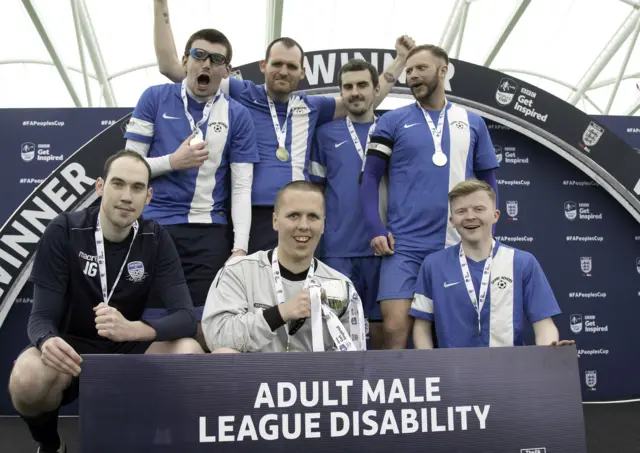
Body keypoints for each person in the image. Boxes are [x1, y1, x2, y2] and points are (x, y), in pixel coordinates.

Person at [152, 0, 414, 253]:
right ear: (263, 66)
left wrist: (400, 60)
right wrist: (161, 4)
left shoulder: (312, 106)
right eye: (277, 64)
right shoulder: (241, 92)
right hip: (252, 215)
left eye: (291, 66)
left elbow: (364, 99)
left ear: (302, 71)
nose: (283, 71)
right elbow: (173, 69)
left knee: (299, 293)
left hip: (300, 214)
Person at [8, 150, 203, 453]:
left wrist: (136, 330)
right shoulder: (65, 230)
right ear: (100, 187)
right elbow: (40, 317)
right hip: (72, 350)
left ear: (148, 196)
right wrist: (47, 341)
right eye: (118, 184)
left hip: (128, 348)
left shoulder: (156, 238)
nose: (127, 196)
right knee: (27, 378)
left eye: (137, 188)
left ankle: (158, 440)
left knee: (189, 352)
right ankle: (50, 445)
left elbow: (186, 317)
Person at [123, 28, 259, 348]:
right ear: (184, 61)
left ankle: (201, 396)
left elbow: (241, 188)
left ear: (227, 71)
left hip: (209, 234)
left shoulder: (238, 115)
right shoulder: (153, 98)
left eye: (217, 59)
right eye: (198, 56)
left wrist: (239, 248)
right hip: (154, 228)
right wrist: (173, 161)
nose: (206, 65)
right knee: (152, 328)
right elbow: (128, 168)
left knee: (204, 331)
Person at [360, 44, 500, 349]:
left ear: (442, 70)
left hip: (456, 245)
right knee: (394, 329)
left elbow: (488, 178)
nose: (412, 76)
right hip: (404, 246)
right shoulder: (392, 121)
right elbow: (370, 177)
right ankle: (392, 397)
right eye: (409, 70)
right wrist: (375, 228)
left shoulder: (472, 121)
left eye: (420, 68)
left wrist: (488, 232)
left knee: (455, 334)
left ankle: (454, 395)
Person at [201, 181, 366, 353]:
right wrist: (280, 313)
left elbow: (354, 357)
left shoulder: (340, 285)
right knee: (224, 353)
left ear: (323, 225)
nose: (303, 226)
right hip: (256, 377)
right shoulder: (239, 272)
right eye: (293, 215)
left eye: (313, 217)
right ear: (275, 221)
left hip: (314, 377)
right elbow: (216, 337)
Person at [409, 179, 575, 349]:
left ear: (495, 215)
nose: (470, 216)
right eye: (461, 211)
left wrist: (552, 352)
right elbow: (422, 327)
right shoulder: (433, 265)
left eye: (479, 209)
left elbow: (543, 324)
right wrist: (431, 368)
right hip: (453, 372)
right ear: (452, 220)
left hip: (510, 370)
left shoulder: (523, 262)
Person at [308, 59, 386, 350]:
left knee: (383, 327)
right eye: (348, 87)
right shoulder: (326, 134)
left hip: (384, 247)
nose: (355, 92)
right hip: (338, 249)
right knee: (334, 326)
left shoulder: (392, 130)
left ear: (376, 89)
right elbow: (316, 191)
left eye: (362, 85)